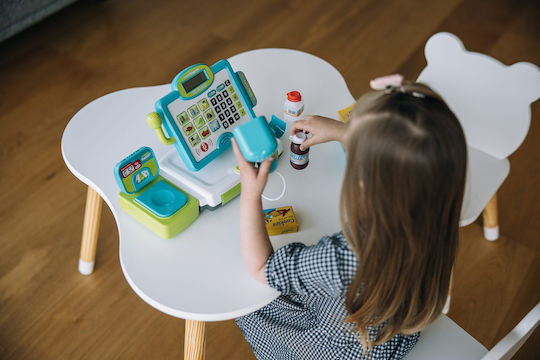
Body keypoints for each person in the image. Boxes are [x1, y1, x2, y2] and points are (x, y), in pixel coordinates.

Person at [230, 80, 467, 359]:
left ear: (365, 180)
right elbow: (412, 143)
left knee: (247, 303)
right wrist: (343, 132)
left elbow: (261, 268)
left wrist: (250, 191)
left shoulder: (345, 258)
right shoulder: (438, 208)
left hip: (335, 350)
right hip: (394, 334)